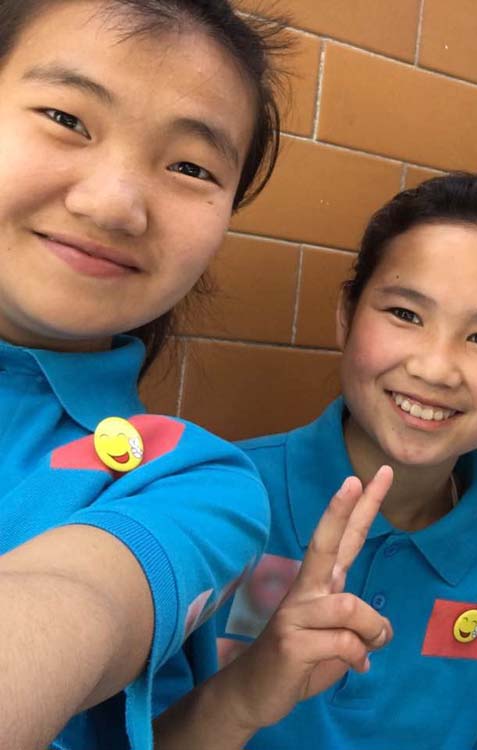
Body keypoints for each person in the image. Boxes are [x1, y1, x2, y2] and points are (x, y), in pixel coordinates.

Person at [154, 173, 477, 749]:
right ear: (347, 314)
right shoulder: (215, 500)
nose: (434, 368)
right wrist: (244, 695)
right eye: (406, 314)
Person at [0, 0, 284, 747]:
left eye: (190, 167)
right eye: (66, 118)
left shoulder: (192, 482)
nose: (114, 205)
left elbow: (79, 599)